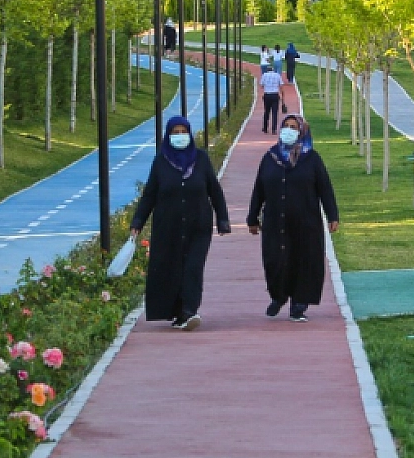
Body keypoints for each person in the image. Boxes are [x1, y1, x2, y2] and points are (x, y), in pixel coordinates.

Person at [129, 116, 231, 331]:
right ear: (168, 135)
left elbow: (214, 191)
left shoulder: (201, 159)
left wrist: (223, 219)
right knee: (171, 268)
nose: (179, 136)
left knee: (193, 268)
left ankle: (189, 311)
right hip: (168, 227)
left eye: (183, 131)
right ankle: (177, 311)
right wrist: (138, 221)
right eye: (175, 132)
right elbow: (150, 195)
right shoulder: (161, 162)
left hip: (199, 226)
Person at [248, 115, 340, 322]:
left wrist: (332, 215)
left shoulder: (312, 158)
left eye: (294, 127)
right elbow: (259, 189)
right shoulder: (270, 157)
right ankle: (278, 297)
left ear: (302, 132)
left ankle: (299, 303)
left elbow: (325, 189)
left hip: (306, 222)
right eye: (286, 127)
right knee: (276, 261)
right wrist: (252, 217)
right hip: (275, 222)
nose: (289, 131)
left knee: (304, 261)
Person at [259, 65, 285, 133]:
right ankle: (274, 129)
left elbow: (261, 85)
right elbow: (281, 86)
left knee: (266, 112)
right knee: (275, 112)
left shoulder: (264, 75)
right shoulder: (277, 75)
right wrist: (282, 95)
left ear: (267, 70)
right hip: (275, 95)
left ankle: (265, 128)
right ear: (273, 70)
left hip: (267, 95)